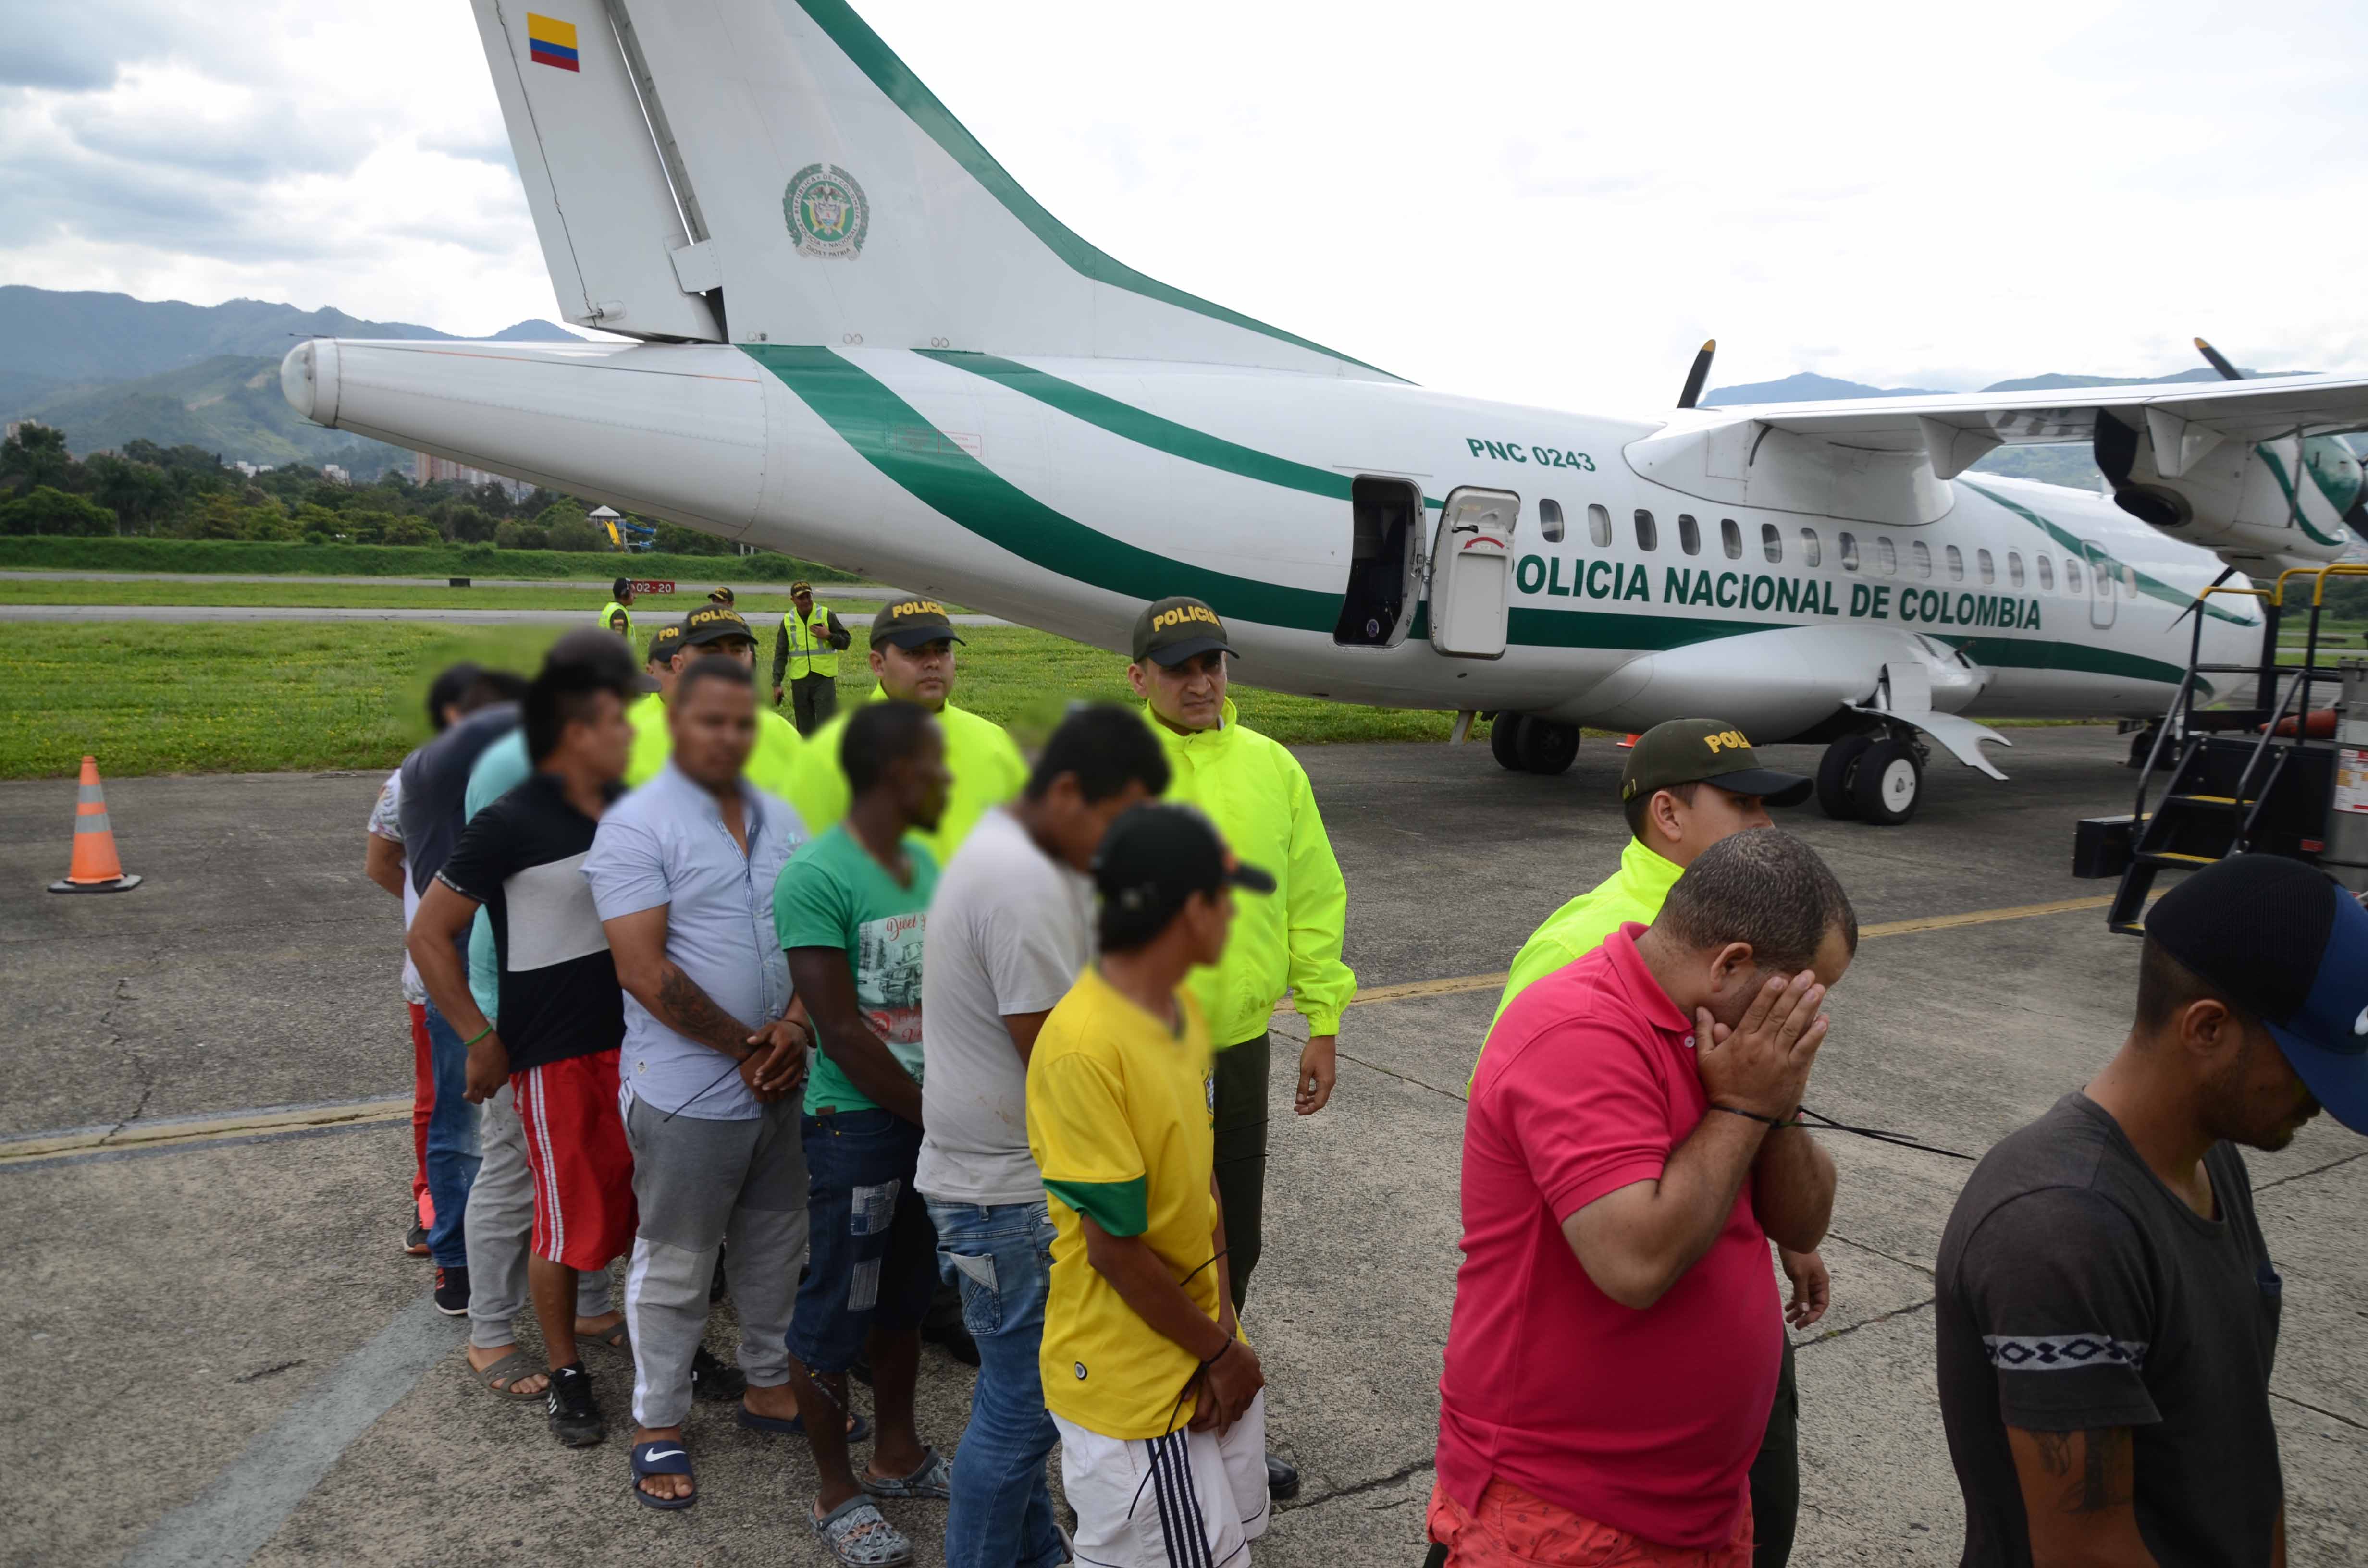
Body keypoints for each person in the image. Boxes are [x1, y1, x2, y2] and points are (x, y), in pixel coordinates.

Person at [1433, 829, 1854, 1567]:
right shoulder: (1578, 1030)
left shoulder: (1731, 1045)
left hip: (1698, 1505)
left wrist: (1778, 1104)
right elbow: (1636, 1261)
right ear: (1731, 965)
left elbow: (1803, 1218)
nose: (1807, 1023)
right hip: (1566, 1509)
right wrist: (1745, 1109)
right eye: (1799, 996)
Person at [1935, 853, 2367, 1567]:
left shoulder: (2210, 1156)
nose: (2321, 1099)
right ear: (2206, 1030)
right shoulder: (2061, 1230)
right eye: (2306, 1063)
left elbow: (2244, 1453)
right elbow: (2087, 1551)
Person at [918, 706, 1172, 1568]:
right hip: (1006, 1188)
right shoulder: (1021, 883)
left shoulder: (1012, 849)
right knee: (1024, 1411)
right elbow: (1058, 1060)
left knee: (1014, 1399)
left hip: (994, 1175)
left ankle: (1033, 1554)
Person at [586, 654, 838, 1508]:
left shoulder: (783, 816)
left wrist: (796, 1027)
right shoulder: (636, 825)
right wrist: (745, 1046)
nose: (727, 736)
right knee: (678, 1258)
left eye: (741, 721)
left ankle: (769, 1380)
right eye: (709, 721)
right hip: (692, 1087)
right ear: (676, 724)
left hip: (782, 1073)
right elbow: (641, 968)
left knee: (774, 1242)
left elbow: (817, 932)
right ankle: (658, 1418)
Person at [1125, 594, 1353, 1500]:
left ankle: (1214, 1400)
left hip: (1240, 1045)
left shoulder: (1272, 765)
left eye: (1211, 663)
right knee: (1140, 1240)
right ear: (1137, 676)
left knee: (1236, 1238)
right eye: (1177, 666)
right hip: (1141, 1048)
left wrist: (1323, 1017)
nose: (1198, 681)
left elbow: (1311, 894)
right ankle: (1140, 1431)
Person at [407, 631, 644, 1449]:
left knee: (610, 1190)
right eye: (621, 709)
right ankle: (518, 1341)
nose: (638, 723)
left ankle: (597, 1309)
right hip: (539, 1036)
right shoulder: (513, 793)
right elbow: (438, 929)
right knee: (543, 1197)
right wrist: (481, 1032)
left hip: (622, 1034)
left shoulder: (627, 798)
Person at [1028, 803, 1277, 1567]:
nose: (1234, 914)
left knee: (1239, 1540)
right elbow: (1114, 1249)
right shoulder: (1084, 1046)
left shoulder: (1181, 1012)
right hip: (1133, 1390)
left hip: (1199, 1346)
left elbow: (1202, 1189)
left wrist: (1227, 1329)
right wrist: (1215, 1352)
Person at [775, 701, 954, 1566]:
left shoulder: (925, 861)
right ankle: (835, 1488)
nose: (947, 781)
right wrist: (936, 1115)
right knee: (834, 1310)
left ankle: (897, 1452)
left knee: (905, 1297)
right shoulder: (817, 873)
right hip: (858, 1126)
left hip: (928, 1123)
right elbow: (840, 1027)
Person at [394, 663, 532, 1313]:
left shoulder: (504, 770)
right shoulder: (429, 770)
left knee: (510, 1130)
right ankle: (455, 1259)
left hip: (501, 960)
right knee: (462, 1125)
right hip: (454, 971)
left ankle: (500, 1252)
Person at [363, 662, 484, 1258]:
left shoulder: (507, 775)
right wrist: (436, 919)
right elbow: (380, 863)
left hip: (495, 970)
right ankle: (428, 1201)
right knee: (439, 1100)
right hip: (437, 974)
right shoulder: (408, 781)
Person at [784, 597, 1026, 868]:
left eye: (942, 650)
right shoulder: (830, 752)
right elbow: (801, 869)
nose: (933, 662)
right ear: (878, 664)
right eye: (915, 653)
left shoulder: (995, 742)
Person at [628, 604, 802, 799]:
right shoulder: (633, 743)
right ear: (679, 665)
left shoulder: (782, 734)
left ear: (749, 662)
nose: (726, 663)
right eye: (711, 652)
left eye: (737, 651)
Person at [774, 578, 853, 735]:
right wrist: (777, 683)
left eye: (808, 596)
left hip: (823, 679)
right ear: (793, 600)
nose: (806, 601)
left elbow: (846, 642)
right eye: (801, 598)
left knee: (827, 727)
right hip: (800, 681)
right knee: (805, 729)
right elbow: (780, 654)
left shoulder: (825, 614)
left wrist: (829, 636)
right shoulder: (788, 621)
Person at [601, 576, 636, 643]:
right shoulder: (619, 613)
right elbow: (619, 642)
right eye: (633, 592)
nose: (635, 596)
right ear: (624, 594)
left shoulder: (609, 608)